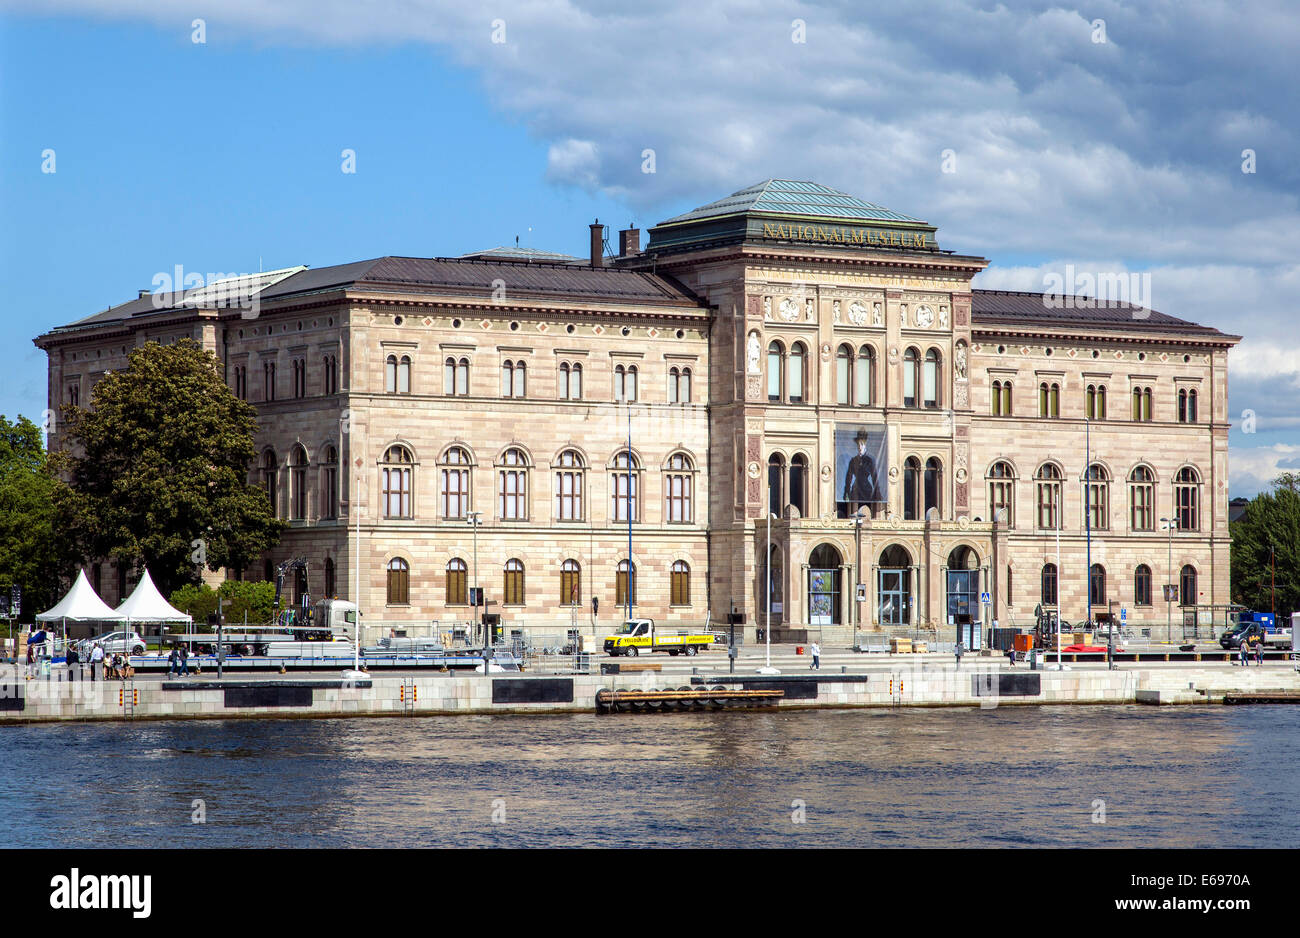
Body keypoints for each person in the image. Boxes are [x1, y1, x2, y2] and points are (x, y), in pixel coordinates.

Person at [842, 428, 880, 509]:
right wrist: (847, 492)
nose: (860, 447)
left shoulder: (870, 460)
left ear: (865, 445)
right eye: (858, 445)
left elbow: (874, 477)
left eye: (862, 444)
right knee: (854, 509)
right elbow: (848, 478)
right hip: (856, 489)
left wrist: (877, 492)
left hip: (866, 489)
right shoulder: (853, 460)